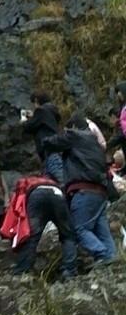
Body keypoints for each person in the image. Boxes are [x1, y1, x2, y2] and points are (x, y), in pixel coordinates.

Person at [43, 113, 116, 265]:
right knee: (101, 229)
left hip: (84, 189)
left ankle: (102, 254)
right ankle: (112, 257)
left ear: (74, 127)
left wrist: (44, 140)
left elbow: (53, 142)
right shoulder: (95, 143)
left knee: (79, 228)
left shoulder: (76, 135)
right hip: (101, 191)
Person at [9, 174, 77, 280]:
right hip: (57, 194)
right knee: (68, 235)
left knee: (32, 237)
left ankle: (22, 270)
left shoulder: (27, 183)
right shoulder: (51, 182)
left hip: (36, 195)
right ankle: (69, 271)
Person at [22, 91, 63, 181]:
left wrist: (24, 120)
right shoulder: (52, 111)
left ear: (36, 100)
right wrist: (34, 116)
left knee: (58, 179)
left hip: (48, 150)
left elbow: (29, 127)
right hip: (55, 148)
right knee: (54, 179)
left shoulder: (41, 111)